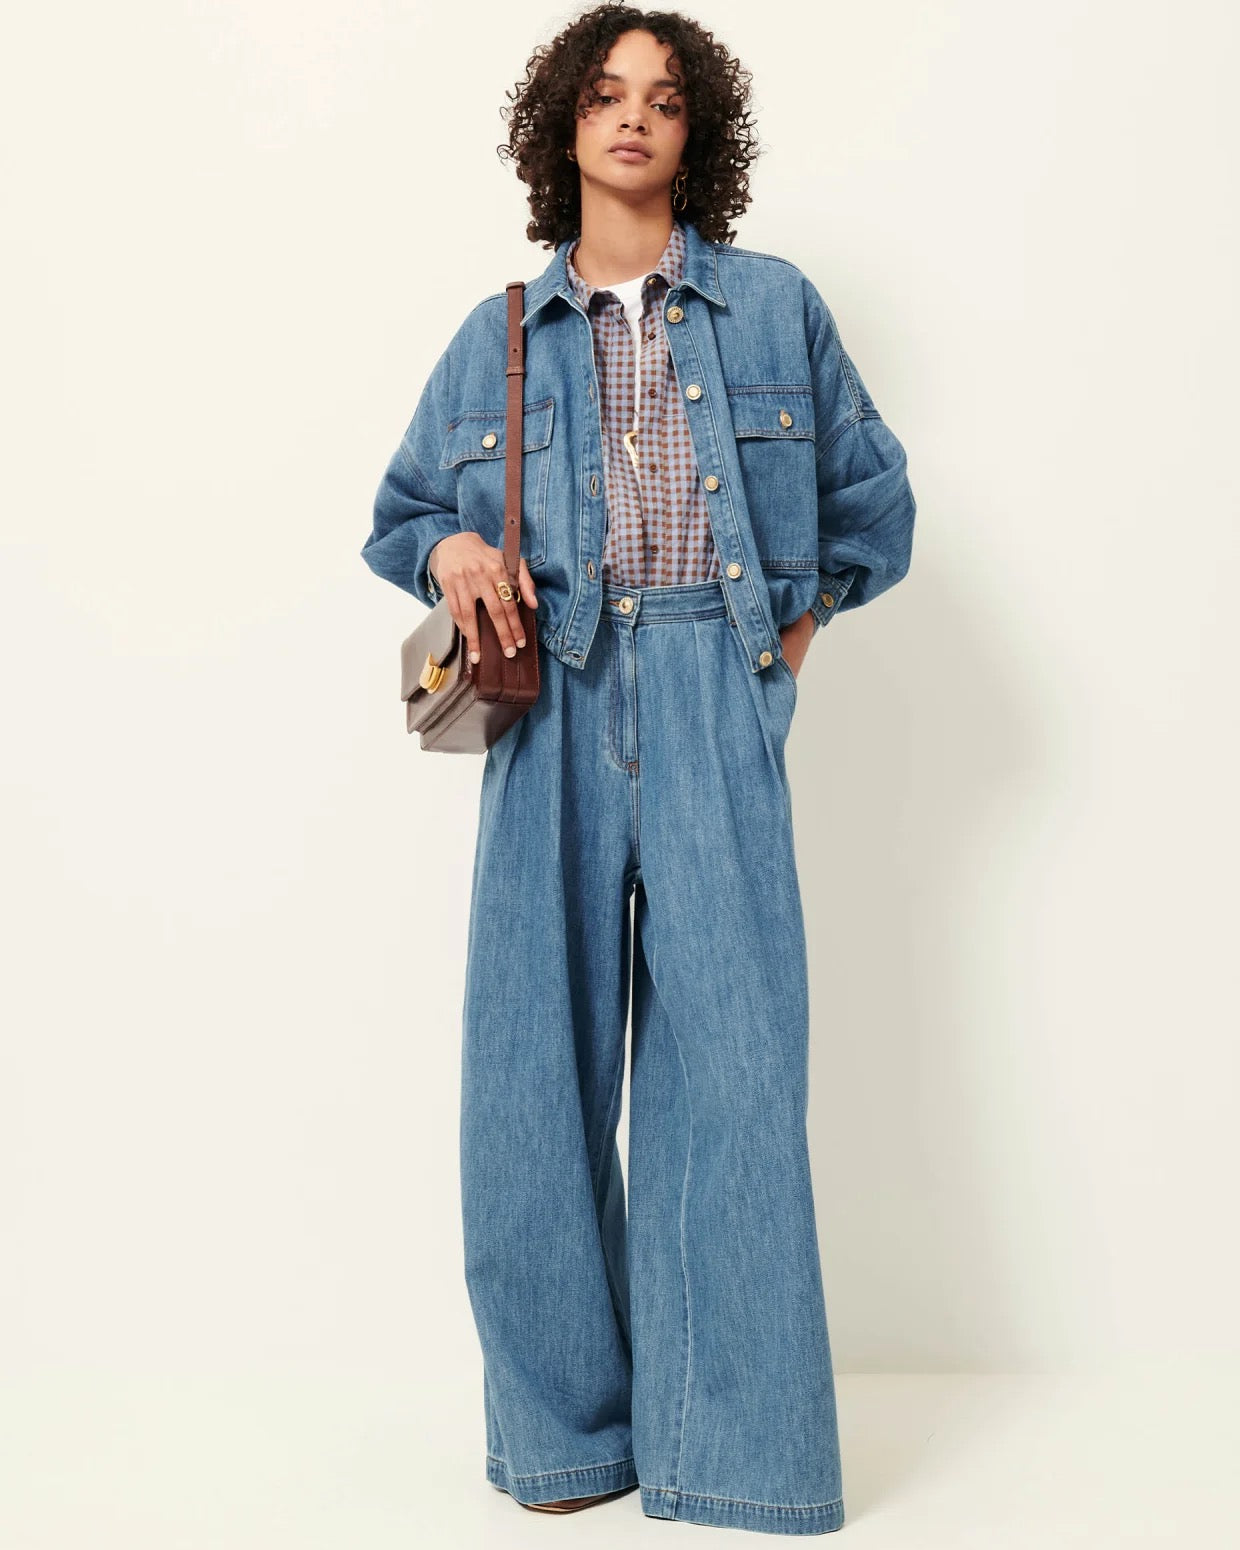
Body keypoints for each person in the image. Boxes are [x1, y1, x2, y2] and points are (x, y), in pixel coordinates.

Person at [361, 4, 916, 1535]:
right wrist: (452, 547)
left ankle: (729, 1450)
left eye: (663, 100)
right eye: (605, 94)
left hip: (710, 686)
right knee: (528, 1077)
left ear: (696, 134)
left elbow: (875, 505)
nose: (632, 118)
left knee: (733, 1076)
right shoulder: (498, 331)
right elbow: (403, 511)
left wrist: (782, 643)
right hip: (551, 700)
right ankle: (566, 1440)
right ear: (562, 126)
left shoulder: (772, 306)